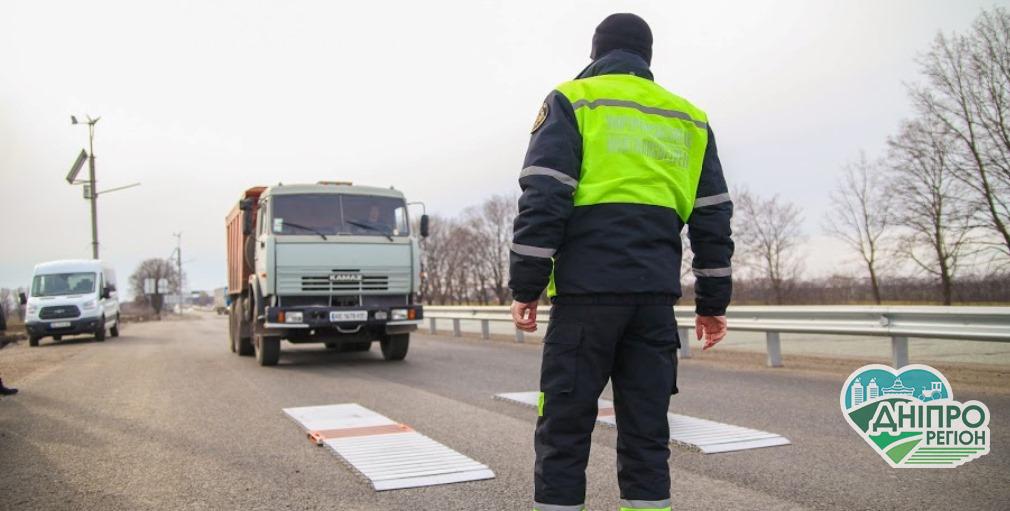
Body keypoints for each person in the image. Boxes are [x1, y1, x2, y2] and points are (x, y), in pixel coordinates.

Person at [509, 13, 734, 511]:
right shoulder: (689, 117)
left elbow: (545, 197)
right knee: (647, 433)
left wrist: (525, 286)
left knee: (564, 431)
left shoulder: (571, 100)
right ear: (647, 58)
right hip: (654, 303)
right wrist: (713, 302)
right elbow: (713, 218)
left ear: (596, 53)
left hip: (586, 301)